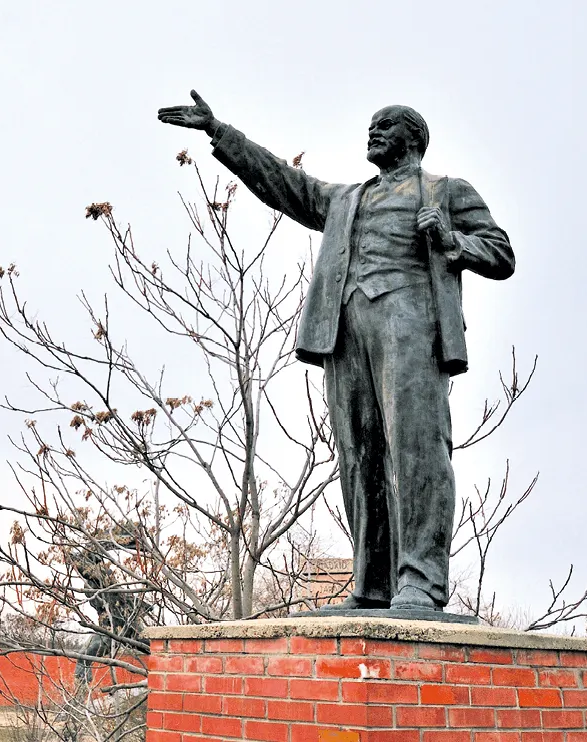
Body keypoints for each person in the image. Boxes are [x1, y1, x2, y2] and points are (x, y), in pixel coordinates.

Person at [158, 92, 514, 611]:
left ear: (412, 137)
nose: (371, 132)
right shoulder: (346, 199)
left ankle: (422, 580)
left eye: (384, 125)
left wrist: (451, 237)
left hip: (411, 323)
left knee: (416, 451)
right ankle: (373, 584)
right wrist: (221, 133)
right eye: (370, 125)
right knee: (359, 456)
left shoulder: (446, 190)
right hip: (345, 329)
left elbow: (501, 252)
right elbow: (285, 184)